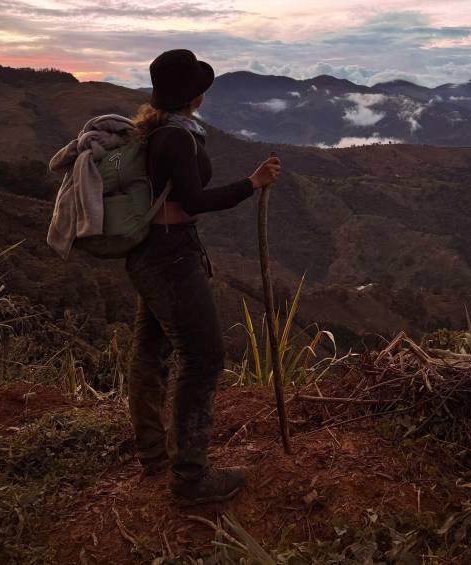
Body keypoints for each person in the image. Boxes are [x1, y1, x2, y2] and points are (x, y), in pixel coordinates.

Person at [126, 49, 281, 506]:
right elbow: (192, 201)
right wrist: (250, 184)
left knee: (150, 351)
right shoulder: (176, 138)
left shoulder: (157, 131)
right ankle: (190, 479)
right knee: (204, 358)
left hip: (150, 253)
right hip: (171, 256)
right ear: (195, 95)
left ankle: (154, 457)